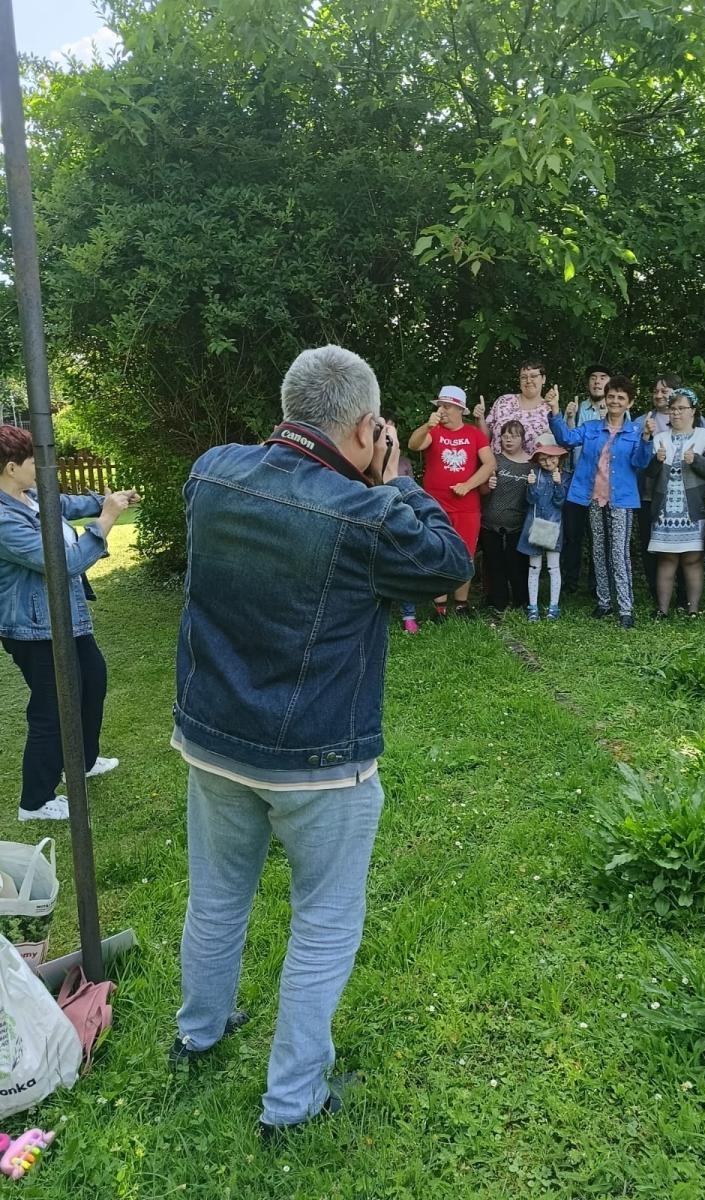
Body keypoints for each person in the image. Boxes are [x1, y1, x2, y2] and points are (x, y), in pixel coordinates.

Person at [170, 345, 472, 1135]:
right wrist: (399, 477)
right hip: (318, 760)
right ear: (371, 426)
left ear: (288, 408)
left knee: (217, 895)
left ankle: (197, 1033)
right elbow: (448, 563)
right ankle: (292, 1100)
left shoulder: (210, 472)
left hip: (212, 740)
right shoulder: (368, 514)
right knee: (325, 924)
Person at [0, 425, 137, 821]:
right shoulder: (5, 521)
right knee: (52, 709)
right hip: (34, 629)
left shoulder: (31, 498)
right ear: (11, 468)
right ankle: (35, 801)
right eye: (33, 462)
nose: (44, 468)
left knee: (92, 682)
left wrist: (107, 500)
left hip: (66, 618)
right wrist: (107, 518)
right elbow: (65, 564)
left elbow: (69, 504)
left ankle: (83, 762)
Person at [549, 377, 653, 628]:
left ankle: (626, 608)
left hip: (621, 500)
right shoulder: (592, 427)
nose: (615, 401)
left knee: (618, 553)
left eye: (621, 397)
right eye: (612, 396)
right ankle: (604, 602)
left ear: (630, 403)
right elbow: (566, 439)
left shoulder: (636, 431)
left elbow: (641, 463)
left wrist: (648, 439)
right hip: (592, 496)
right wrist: (555, 412)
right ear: (605, 399)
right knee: (598, 549)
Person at [407, 385, 496, 620]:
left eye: (446, 406)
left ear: (459, 409)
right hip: (435, 505)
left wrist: (468, 485)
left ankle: (461, 604)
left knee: (465, 553)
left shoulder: (474, 434)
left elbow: (490, 464)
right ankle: (439, 607)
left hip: (467, 507)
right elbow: (413, 445)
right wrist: (428, 425)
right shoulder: (433, 431)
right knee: (437, 551)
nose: (442, 410)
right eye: (440, 406)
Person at [645, 389, 705, 617]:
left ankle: (693, 610)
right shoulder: (659, 439)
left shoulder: (704, 436)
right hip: (665, 509)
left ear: (692, 411)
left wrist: (696, 461)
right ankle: (662, 610)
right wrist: (656, 461)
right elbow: (649, 474)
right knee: (666, 559)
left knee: (693, 559)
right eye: (672, 409)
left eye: (681, 408)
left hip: (693, 508)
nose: (676, 413)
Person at [560, 363, 610, 593]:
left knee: (599, 536)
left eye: (602, 377)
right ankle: (569, 582)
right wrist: (569, 417)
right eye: (593, 377)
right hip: (575, 480)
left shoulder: (618, 410)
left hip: (603, 483)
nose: (597, 382)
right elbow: (567, 440)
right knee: (573, 533)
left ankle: (596, 584)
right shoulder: (578, 407)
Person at [635, 374, 681, 599]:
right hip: (648, 494)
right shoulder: (642, 420)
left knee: (680, 544)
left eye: (665, 391)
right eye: (656, 391)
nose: (659, 395)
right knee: (650, 543)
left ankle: (682, 593)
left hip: (680, 496)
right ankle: (656, 591)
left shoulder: (694, 419)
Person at [479, 420, 531, 612]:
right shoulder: (494, 460)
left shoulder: (531, 465)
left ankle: (521, 601)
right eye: (505, 435)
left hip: (518, 526)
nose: (508, 439)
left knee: (517, 565)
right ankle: (497, 603)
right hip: (490, 523)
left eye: (514, 435)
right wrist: (487, 485)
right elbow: (481, 490)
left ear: (522, 438)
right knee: (494, 565)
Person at [518, 432, 570, 621]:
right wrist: (530, 486)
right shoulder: (534, 474)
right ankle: (533, 607)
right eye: (542, 458)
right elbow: (531, 500)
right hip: (534, 526)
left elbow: (560, 502)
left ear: (559, 457)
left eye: (551, 457)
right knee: (534, 567)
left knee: (553, 568)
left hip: (554, 526)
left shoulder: (563, 476)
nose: (547, 462)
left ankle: (553, 607)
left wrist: (558, 484)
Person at [474, 361, 552, 455]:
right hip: (496, 467)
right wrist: (480, 418)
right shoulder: (503, 401)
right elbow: (485, 439)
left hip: (532, 468)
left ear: (543, 379)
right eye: (523, 377)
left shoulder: (550, 409)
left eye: (533, 376)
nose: (528, 380)